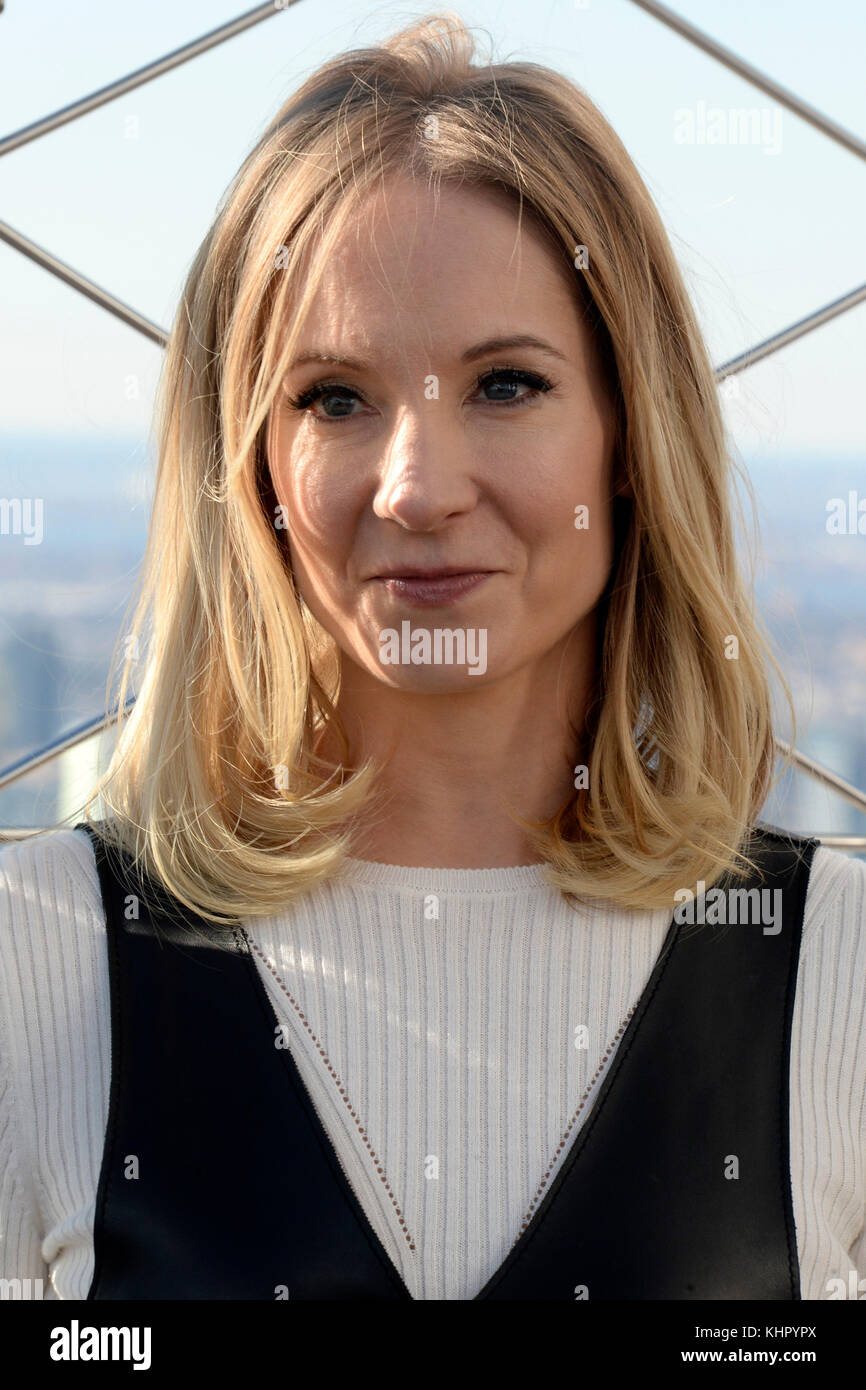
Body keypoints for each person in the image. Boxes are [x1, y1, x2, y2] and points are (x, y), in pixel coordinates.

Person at [1, 12, 864, 1302]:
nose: (415, 487)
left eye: (506, 385)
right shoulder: (36, 965)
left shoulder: (838, 975)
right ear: (252, 468)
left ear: (631, 439)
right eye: (332, 399)